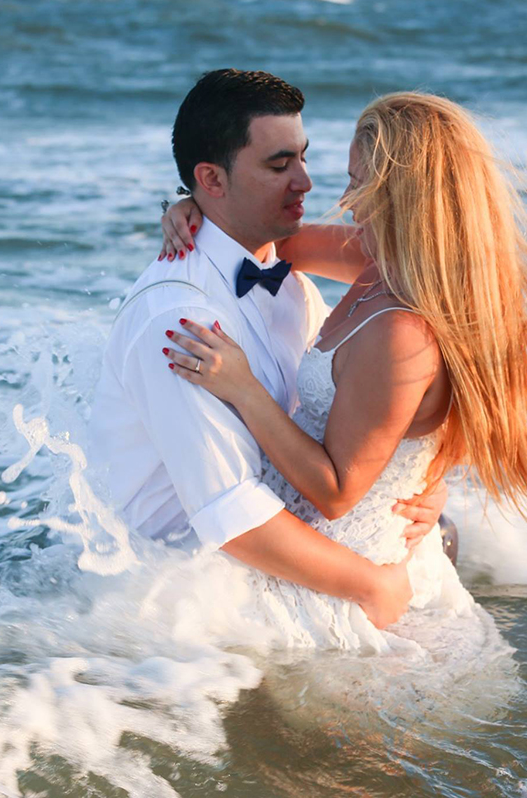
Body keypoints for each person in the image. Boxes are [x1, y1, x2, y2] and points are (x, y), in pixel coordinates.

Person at [156, 91, 527, 649]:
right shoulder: (388, 261)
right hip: (328, 546)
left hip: (348, 581)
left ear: (404, 194)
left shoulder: (402, 331)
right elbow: (277, 240)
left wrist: (245, 389)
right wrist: (190, 205)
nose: (347, 200)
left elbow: (335, 491)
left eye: (362, 184)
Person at [87, 70, 446, 631]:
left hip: (308, 548)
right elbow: (233, 517)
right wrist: (373, 585)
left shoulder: (284, 269)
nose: (306, 182)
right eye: (280, 166)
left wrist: (430, 476)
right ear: (212, 178)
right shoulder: (179, 323)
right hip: (200, 604)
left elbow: (397, 381)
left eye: (304, 157)